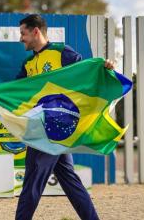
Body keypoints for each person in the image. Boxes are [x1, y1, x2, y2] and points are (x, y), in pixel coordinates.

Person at [13, 14, 114, 220]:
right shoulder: (29, 63)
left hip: (53, 131)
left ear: (35, 31)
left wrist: (104, 68)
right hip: (43, 128)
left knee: (32, 181)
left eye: (23, 33)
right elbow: (15, 90)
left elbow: (86, 71)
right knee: (69, 180)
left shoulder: (61, 53)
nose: (20, 38)